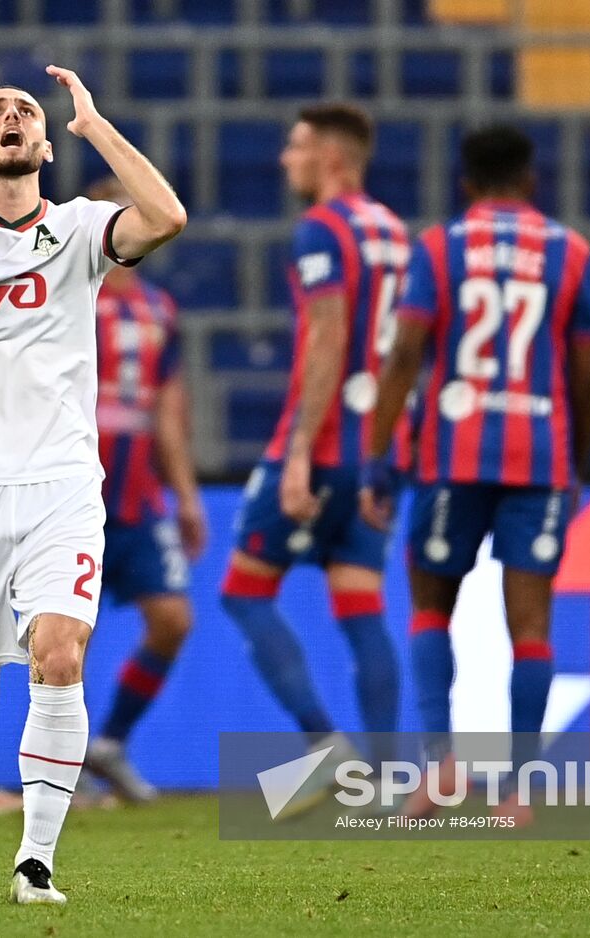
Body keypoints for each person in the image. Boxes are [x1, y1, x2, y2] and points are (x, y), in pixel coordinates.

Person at [0, 59, 186, 905]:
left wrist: (97, 126)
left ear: (44, 144)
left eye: (23, 113)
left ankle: (38, 861)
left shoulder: (84, 230)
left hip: (58, 482)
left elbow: (166, 216)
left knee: (59, 655)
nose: (10, 117)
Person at [361, 124, 590, 824]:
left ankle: (440, 766)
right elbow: (588, 376)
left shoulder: (439, 247)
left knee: (431, 607)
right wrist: (576, 458)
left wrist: (378, 457)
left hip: (450, 456)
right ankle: (518, 791)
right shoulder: (572, 252)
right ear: (532, 180)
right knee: (530, 627)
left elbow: (405, 351)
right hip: (541, 459)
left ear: (466, 183)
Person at [217, 103, 408, 809]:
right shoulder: (392, 229)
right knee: (361, 604)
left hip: (323, 444)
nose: (283, 160)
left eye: (295, 147)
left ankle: (326, 746)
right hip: (378, 449)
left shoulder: (321, 230)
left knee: (243, 594)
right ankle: (387, 778)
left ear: (331, 158)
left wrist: (298, 454)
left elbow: (327, 338)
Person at [80, 176, 205, 804]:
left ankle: (110, 743)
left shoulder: (160, 310)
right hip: (75, 489)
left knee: (172, 619)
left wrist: (184, 494)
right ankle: (61, 763)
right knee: (68, 632)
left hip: (139, 495)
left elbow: (169, 411)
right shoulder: (68, 296)